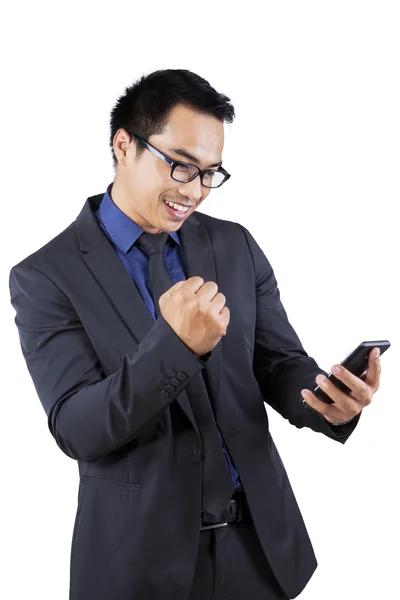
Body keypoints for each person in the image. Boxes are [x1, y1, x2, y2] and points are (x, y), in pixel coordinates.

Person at [9, 69, 381, 600]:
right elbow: (79, 428)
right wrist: (176, 347)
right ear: (123, 144)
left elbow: (277, 364)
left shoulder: (234, 246)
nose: (195, 191)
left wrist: (328, 402)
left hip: (260, 551)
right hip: (139, 565)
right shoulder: (46, 275)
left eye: (211, 173)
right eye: (181, 167)